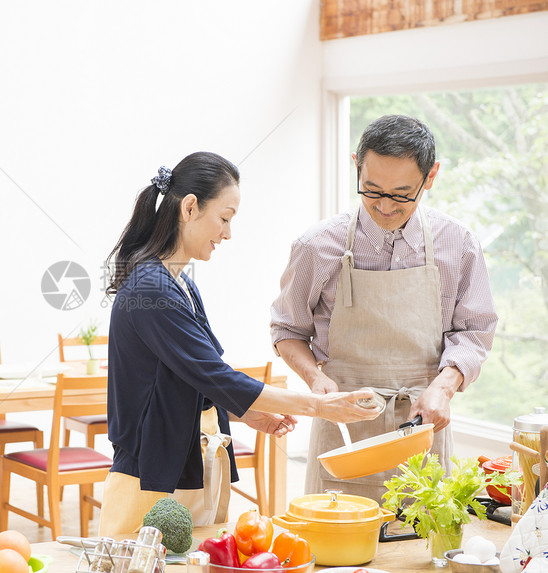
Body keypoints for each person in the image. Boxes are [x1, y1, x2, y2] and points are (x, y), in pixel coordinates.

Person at [99, 151, 382, 538]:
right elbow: (213, 374)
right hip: (152, 475)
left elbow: (193, 378)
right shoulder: (151, 287)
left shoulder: (180, 282)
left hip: (186, 461)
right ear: (190, 207)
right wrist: (319, 406)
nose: (227, 234)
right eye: (225, 218)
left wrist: (243, 414)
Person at [271, 115, 498, 502]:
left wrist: (443, 388)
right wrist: (315, 380)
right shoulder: (316, 246)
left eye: (401, 194)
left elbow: (474, 331)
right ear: (356, 163)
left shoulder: (458, 244)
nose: (385, 207)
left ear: (431, 177)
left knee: (421, 552)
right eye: (371, 190)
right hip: (343, 426)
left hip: (423, 423)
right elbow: (287, 331)